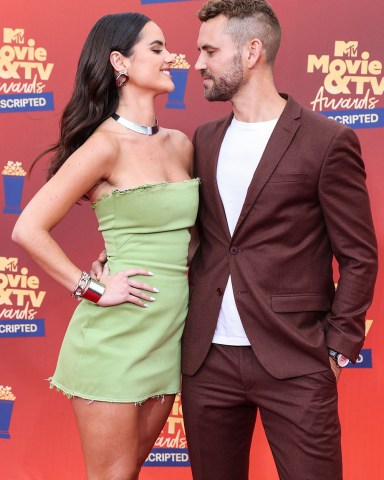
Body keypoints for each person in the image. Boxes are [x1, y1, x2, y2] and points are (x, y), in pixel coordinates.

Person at [179, 1, 378, 479]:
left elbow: (359, 256)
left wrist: (337, 348)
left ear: (252, 52)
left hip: (295, 356)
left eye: (209, 50)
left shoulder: (326, 140)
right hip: (207, 360)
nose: (198, 63)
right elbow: (195, 237)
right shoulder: (203, 139)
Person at [12, 12, 199, 480]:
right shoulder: (103, 147)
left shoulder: (181, 145)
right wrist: (92, 287)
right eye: (156, 49)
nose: (171, 57)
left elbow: (192, 240)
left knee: (128, 472)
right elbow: (28, 227)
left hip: (167, 337)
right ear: (120, 61)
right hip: (114, 339)